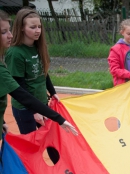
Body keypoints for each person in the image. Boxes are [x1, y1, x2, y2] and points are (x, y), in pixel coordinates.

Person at [0, 9, 77, 141]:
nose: (38, 30)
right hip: (26, 108)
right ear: (22, 28)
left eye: (39, 27)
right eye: (33, 27)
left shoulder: (39, 47)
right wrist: (36, 111)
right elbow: (20, 90)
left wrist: (52, 92)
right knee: (32, 145)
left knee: (51, 142)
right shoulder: (15, 53)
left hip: (40, 103)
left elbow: (44, 72)